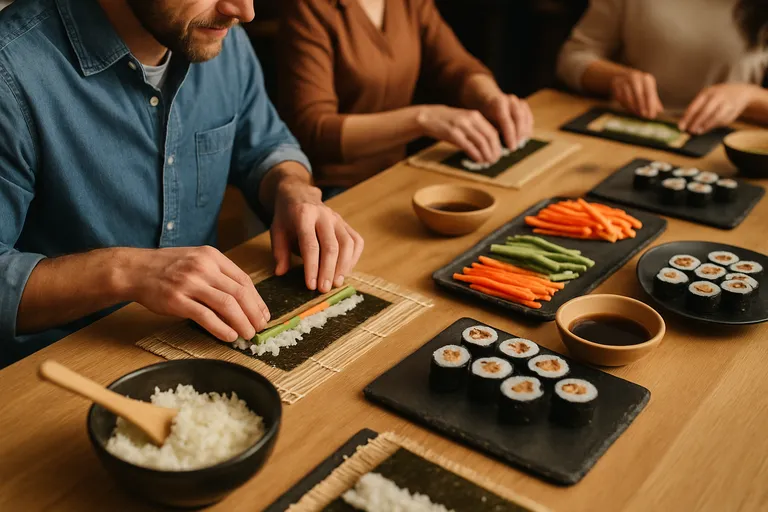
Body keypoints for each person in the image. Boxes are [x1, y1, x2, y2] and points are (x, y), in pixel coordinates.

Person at [0, 0, 364, 367]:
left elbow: (266, 147)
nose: (244, 10)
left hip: (202, 352)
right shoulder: (11, 69)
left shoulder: (218, 35)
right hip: (59, 372)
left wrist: (292, 188)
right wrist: (127, 272)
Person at [277, 0, 534, 195]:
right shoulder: (306, 7)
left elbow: (455, 65)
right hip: (331, 190)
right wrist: (422, 119)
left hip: (400, 171)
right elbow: (314, 129)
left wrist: (491, 98)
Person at [556, 0, 768, 134]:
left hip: (730, 145)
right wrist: (614, 78)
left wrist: (749, 96)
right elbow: (573, 56)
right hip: (628, 131)